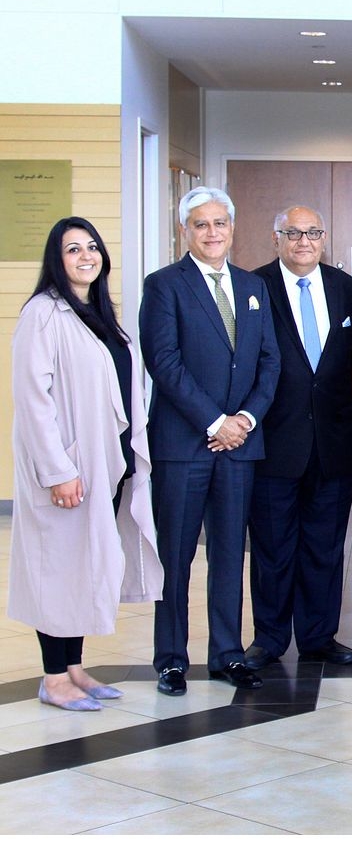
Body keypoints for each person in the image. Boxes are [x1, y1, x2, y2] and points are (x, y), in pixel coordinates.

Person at [8, 218, 163, 711]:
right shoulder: (43, 313)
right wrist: (58, 471)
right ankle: (53, 678)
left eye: (92, 247)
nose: (85, 256)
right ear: (57, 259)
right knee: (57, 568)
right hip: (68, 470)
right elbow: (34, 400)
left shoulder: (97, 313)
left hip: (104, 464)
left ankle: (75, 667)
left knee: (84, 566)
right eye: (73, 249)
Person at [141, 186, 280, 696]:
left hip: (241, 444)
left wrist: (243, 419)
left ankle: (226, 654)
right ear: (186, 230)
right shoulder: (163, 286)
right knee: (175, 558)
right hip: (184, 446)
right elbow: (165, 364)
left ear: (232, 227)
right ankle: (171, 660)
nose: (212, 231)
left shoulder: (252, 286)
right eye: (201, 224)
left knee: (229, 555)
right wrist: (213, 421)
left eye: (220, 222)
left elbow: (270, 361)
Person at [245, 206, 352, 670]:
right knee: (273, 548)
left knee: (324, 545)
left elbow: (342, 363)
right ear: (276, 238)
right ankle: (269, 638)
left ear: (324, 237)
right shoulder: (254, 287)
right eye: (292, 233)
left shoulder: (348, 289)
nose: (303, 241)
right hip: (275, 438)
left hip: (333, 440)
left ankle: (319, 636)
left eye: (312, 232)